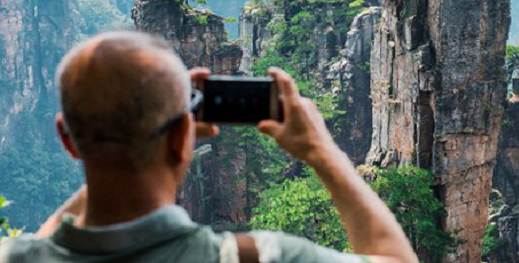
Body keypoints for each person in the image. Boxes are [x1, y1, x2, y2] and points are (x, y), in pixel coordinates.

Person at [0, 31, 418, 263]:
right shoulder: (260, 256)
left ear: (67, 139)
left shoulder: (14, 256)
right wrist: (322, 151)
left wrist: (106, 150)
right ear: (182, 138)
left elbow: (45, 246)